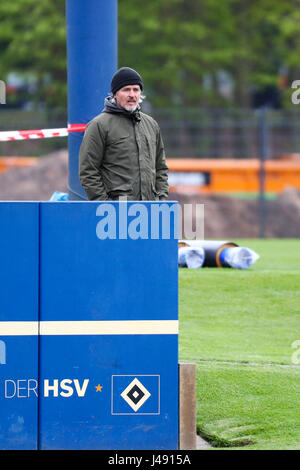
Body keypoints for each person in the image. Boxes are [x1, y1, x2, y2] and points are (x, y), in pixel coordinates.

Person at [79, 67, 169, 201]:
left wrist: (161, 200)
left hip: (150, 211)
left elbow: (161, 168)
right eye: (126, 90)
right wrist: (106, 205)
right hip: (114, 212)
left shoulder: (151, 124)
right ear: (115, 94)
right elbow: (88, 171)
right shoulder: (98, 125)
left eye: (136, 90)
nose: (132, 95)